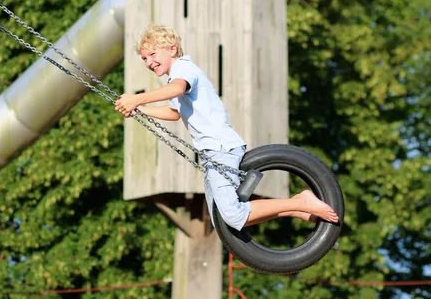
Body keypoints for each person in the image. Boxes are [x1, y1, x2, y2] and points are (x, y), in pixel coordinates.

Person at [115, 25, 339, 230]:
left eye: (153, 54)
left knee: (232, 215)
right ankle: (296, 208)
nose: (148, 62)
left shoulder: (184, 69)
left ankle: (299, 201)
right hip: (211, 152)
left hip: (220, 148)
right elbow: (174, 112)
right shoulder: (175, 76)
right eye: (144, 58)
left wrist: (138, 99)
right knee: (223, 217)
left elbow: (177, 89)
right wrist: (141, 111)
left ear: (172, 49)